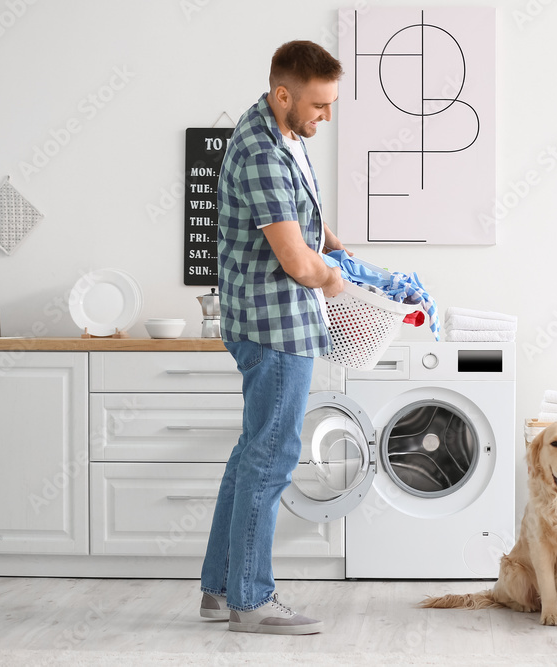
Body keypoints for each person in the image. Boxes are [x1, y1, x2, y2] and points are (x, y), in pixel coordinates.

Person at [199, 40, 348, 636]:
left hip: (269, 321)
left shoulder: (284, 134)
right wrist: (333, 278)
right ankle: (253, 601)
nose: (326, 117)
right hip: (275, 325)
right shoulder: (260, 148)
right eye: (318, 105)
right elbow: (294, 260)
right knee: (272, 456)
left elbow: (301, 214)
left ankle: (218, 589)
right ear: (283, 94)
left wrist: (335, 246)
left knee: (250, 454)